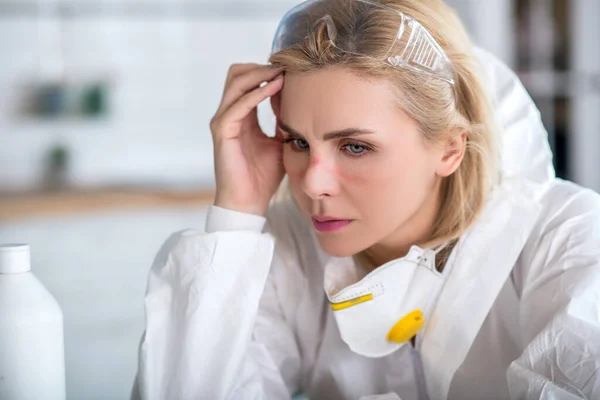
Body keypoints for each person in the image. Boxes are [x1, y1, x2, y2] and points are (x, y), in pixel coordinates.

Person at [131, 0, 600, 399]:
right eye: (297, 142)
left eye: (355, 147)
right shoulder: (287, 249)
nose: (313, 184)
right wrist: (237, 214)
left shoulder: (564, 238)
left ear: (450, 148)